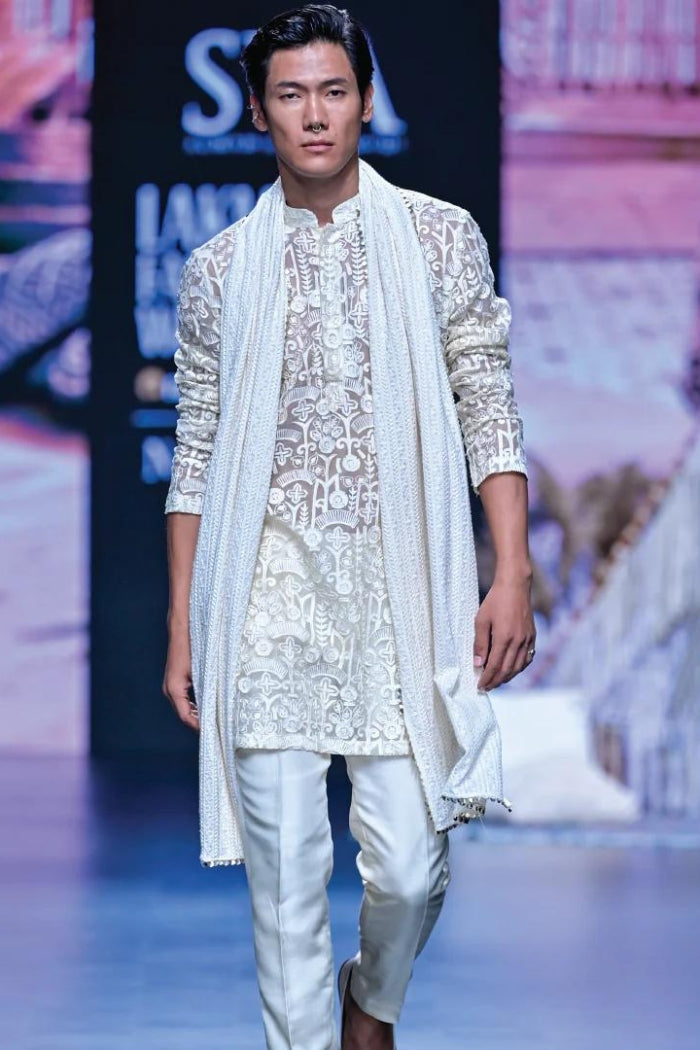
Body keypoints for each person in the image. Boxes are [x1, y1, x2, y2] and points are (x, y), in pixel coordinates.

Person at [162, 5, 535, 1049]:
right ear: (258, 111)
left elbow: (487, 404)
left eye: (333, 91)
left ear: (366, 102)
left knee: (411, 869)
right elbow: (195, 456)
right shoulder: (220, 270)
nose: (315, 115)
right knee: (283, 889)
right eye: (291, 95)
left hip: (399, 592)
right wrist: (185, 625)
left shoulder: (438, 236)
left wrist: (511, 571)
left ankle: (371, 998)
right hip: (265, 599)